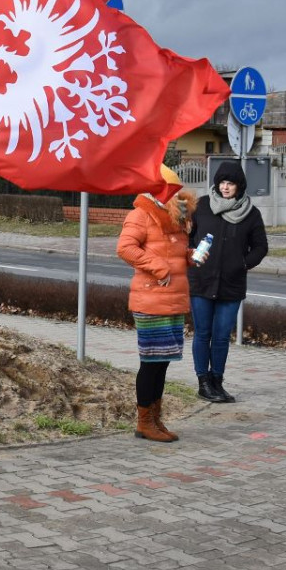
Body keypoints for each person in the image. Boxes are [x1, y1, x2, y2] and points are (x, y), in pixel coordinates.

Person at [116, 167, 198, 443]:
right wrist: (159, 268)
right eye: (169, 189)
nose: (175, 193)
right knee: (151, 362)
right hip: (150, 299)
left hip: (173, 299)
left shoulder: (177, 215)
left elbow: (172, 253)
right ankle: (144, 422)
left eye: (176, 189)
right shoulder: (141, 214)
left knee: (163, 362)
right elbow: (125, 248)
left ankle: (155, 418)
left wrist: (190, 257)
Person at [188, 162, 269, 403]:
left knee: (222, 335)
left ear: (239, 186)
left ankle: (217, 382)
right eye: (222, 182)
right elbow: (186, 236)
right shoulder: (201, 206)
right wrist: (191, 254)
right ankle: (203, 383)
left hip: (231, 285)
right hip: (201, 281)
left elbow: (260, 247)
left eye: (230, 183)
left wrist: (242, 264)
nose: (225, 187)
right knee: (203, 333)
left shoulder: (251, 214)